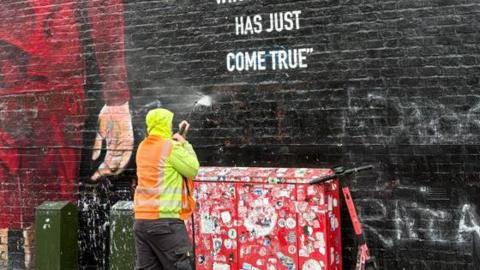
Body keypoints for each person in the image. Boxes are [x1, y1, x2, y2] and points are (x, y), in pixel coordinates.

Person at [0, 0, 133, 230]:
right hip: (53, 68)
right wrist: (116, 97)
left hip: (31, 68)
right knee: (53, 211)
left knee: (17, 209)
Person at [134, 108, 199, 270]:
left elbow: (163, 161)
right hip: (165, 222)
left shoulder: (142, 147)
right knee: (182, 265)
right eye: (169, 124)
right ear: (164, 125)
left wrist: (177, 141)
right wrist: (185, 144)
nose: (170, 127)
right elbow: (193, 169)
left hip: (142, 222)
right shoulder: (170, 147)